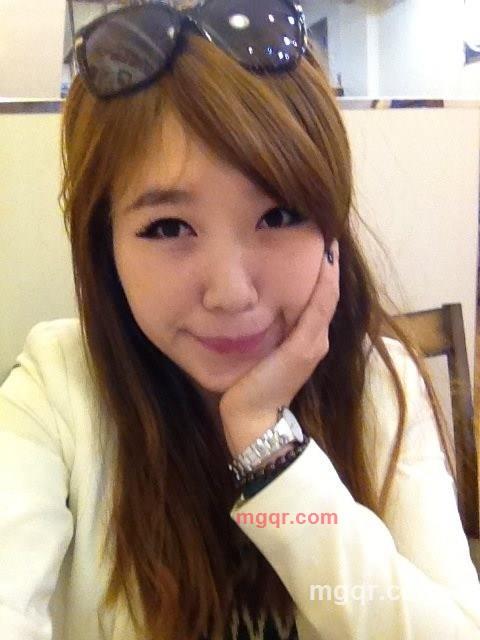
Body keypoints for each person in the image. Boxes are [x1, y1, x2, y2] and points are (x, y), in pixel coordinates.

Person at [1, 1, 480, 639]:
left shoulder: (376, 381)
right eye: (167, 227)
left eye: (278, 215)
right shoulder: (56, 391)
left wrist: (268, 446)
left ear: (332, 230)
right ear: (104, 247)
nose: (230, 293)